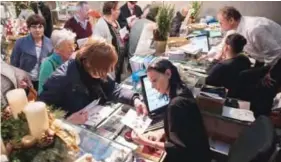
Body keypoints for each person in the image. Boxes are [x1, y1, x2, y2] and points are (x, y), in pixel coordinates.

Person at [38, 38, 147, 124]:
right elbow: (41, 115)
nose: (105, 74)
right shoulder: (61, 79)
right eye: (103, 71)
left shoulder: (95, 69)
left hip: (92, 121)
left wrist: (134, 99)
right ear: (88, 63)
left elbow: (113, 88)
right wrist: (67, 121)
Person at [132, 59, 211, 162]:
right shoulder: (183, 89)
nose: (152, 86)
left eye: (155, 80)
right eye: (151, 82)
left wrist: (146, 142)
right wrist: (161, 133)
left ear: (168, 74)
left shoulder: (175, 105)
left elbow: (178, 149)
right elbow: (183, 128)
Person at [217, 6, 281, 67]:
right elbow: (223, 43)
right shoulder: (235, 27)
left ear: (231, 20)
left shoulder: (253, 29)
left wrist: (266, 73)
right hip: (262, 58)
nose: (219, 25)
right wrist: (215, 56)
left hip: (276, 59)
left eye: (220, 23)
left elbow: (274, 54)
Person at [10, 14, 53, 91]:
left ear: (44, 28)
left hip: (43, 81)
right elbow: (14, 63)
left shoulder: (50, 43)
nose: (37, 30)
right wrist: (19, 79)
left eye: (40, 27)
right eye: (34, 27)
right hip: (25, 82)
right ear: (29, 28)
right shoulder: (20, 42)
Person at [206, 33, 251, 98]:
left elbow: (207, 79)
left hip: (222, 95)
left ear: (227, 47)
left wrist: (216, 59)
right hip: (238, 93)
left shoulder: (222, 66)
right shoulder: (245, 59)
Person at [94, 1, 125, 83]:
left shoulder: (116, 22)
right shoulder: (101, 25)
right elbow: (97, 46)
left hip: (118, 62)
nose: (120, 11)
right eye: (118, 9)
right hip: (109, 64)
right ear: (112, 11)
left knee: (118, 81)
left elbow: (118, 37)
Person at [38, 29, 76, 94]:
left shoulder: (72, 61)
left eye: (73, 45)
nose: (73, 49)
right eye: (69, 46)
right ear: (57, 49)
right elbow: (42, 92)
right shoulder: (48, 64)